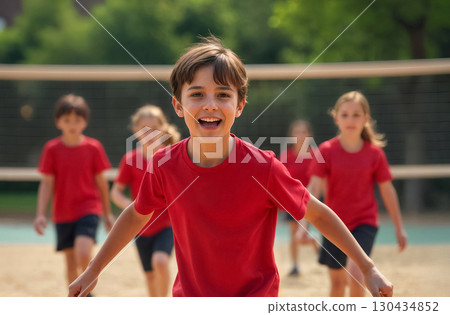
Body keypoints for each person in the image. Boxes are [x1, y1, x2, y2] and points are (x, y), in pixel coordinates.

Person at [68, 37, 393, 297]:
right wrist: (94, 269)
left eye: (222, 94)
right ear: (178, 106)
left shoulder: (263, 167)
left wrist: (367, 267)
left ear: (239, 105)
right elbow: (137, 214)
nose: (210, 103)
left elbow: (318, 214)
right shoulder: (164, 165)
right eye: (197, 94)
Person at [306, 90, 408, 297]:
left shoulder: (375, 154)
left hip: (364, 222)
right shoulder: (326, 150)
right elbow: (314, 188)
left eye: (356, 114)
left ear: (366, 119)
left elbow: (388, 191)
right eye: (344, 114)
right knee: (336, 284)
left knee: (356, 272)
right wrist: (303, 225)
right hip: (333, 224)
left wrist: (399, 227)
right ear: (336, 117)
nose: (350, 119)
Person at [34, 94, 115, 290]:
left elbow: (102, 184)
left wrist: (107, 214)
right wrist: (40, 214)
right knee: (70, 262)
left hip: (88, 207)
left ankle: (86, 292)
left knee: (83, 251)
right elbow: (46, 184)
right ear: (57, 122)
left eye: (77, 119)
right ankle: (77, 298)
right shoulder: (51, 149)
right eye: (67, 119)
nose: (72, 124)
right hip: (62, 213)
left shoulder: (94, 148)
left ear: (84, 122)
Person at [110, 105, 180, 296]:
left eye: (154, 128)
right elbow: (115, 192)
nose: (150, 133)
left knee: (160, 261)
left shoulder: (172, 156)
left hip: (166, 223)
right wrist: (129, 206)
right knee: (149, 275)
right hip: (140, 227)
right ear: (136, 131)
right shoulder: (130, 159)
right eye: (144, 128)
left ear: (164, 129)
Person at [278, 120, 317, 277]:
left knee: (323, 231)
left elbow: (321, 181)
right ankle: (295, 265)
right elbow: (280, 181)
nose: (300, 135)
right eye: (296, 132)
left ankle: (318, 247)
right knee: (294, 234)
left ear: (309, 135)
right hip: (292, 201)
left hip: (313, 201)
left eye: (303, 132)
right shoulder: (285, 156)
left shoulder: (316, 155)